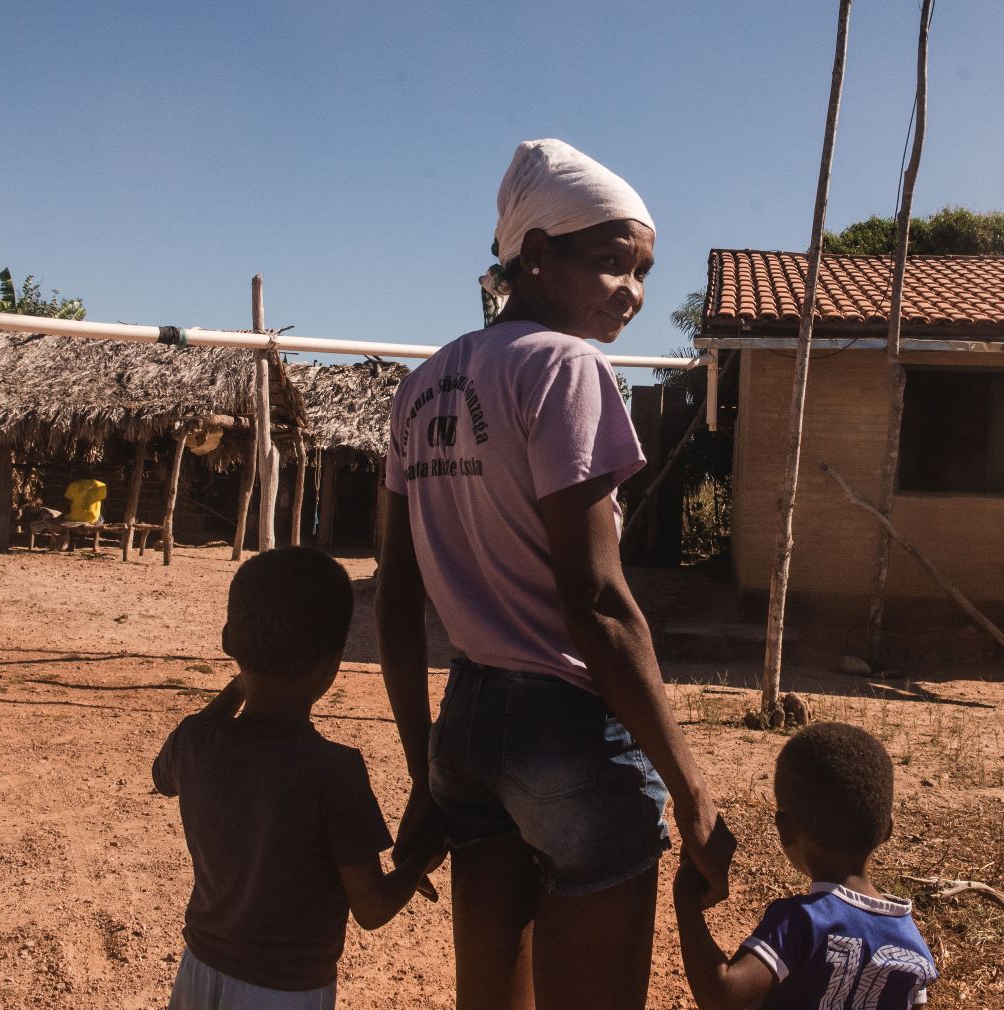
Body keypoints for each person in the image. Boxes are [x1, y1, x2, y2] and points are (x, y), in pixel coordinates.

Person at [376, 138, 734, 1010]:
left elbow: (394, 596)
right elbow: (599, 604)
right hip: (569, 735)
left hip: (467, 723)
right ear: (535, 254)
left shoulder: (419, 388)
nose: (634, 293)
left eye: (643, 271)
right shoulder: (566, 366)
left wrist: (424, 765)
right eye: (612, 264)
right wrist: (690, 789)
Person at [153, 547, 440, 1010]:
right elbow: (371, 908)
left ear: (228, 642)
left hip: (198, 972)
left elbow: (162, 777)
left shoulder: (195, 743)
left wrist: (239, 685)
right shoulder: (333, 771)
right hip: (283, 991)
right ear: (332, 663)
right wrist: (420, 859)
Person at [673, 723, 938, 1010]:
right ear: (887, 830)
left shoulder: (803, 922)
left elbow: (722, 997)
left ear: (784, 829)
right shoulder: (912, 944)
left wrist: (686, 898)